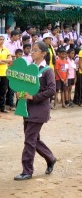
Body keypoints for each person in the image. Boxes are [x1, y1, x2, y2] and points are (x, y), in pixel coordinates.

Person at [14, 41, 56, 181]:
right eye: (32, 50)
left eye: (35, 50)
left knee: (29, 140)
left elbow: (51, 90)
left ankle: (27, 170)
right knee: (33, 139)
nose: (32, 52)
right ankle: (50, 158)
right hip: (27, 108)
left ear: (43, 53)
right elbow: (24, 86)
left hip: (39, 109)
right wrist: (19, 93)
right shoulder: (30, 68)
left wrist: (34, 97)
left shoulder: (47, 70)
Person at [0, 35, 12, 113]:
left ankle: (2, 107)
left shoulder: (6, 50)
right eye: (0, 39)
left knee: (3, 90)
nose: (1, 40)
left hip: (4, 72)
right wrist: (6, 61)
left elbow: (10, 59)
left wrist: (2, 61)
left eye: (2, 39)